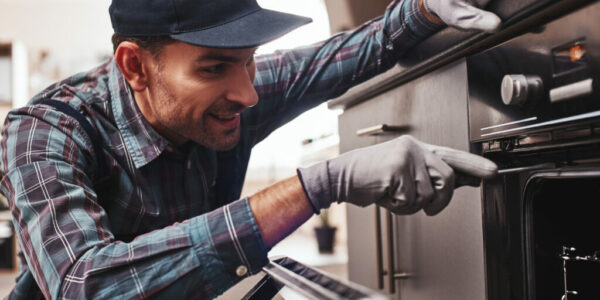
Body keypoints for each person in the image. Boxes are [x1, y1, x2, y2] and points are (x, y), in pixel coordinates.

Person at [0, 0, 500, 298]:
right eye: (214, 68)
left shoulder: (226, 94)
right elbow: (82, 286)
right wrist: (322, 185)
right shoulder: (46, 131)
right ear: (134, 67)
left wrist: (424, 9)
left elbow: (333, 59)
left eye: (250, 62)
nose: (248, 94)